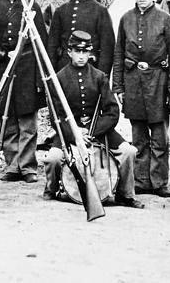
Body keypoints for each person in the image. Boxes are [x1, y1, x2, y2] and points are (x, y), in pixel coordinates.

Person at [43, 31, 144, 209]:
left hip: (98, 130)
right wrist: (75, 134)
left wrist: (93, 130)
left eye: (85, 52)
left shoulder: (99, 77)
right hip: (69, 131)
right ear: (69, 52)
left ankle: (125, 195)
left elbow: (112, 112)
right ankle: (52, 189)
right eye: (77, 51)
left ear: (90, 53)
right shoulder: (58, 79)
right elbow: (56, 117)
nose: (81, 56)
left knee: (129, 151)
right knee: (53, 158)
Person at [112, 0, 170, 198]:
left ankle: (159, 182)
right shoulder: (126, 19)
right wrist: (118, 86)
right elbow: (119, 53)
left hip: (158, 81)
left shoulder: (165, 20)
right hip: (133, 83)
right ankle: (141, 180)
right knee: (138, 134)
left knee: (159, 136)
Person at [0, 0, 47, 183]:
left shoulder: (32, 6)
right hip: (4, 68)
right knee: (8, 120)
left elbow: (42, 44)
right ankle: (11, 165)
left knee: (28, 122)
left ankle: (28, 167)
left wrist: (40, 77)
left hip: (28, 69)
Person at [46, 0, 115, 76]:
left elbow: (107, 49)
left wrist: (102, 77)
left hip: (90, 72)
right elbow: (52, 46)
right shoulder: (61, 11)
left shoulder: (100, 11)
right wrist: (52, 74)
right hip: (64, 71)